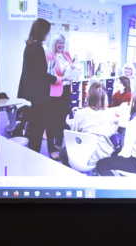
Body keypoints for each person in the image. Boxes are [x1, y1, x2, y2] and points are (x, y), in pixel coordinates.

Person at [18, 18, 68, 154]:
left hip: (33, 94)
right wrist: (58, 79)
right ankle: (35, 154)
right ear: (42, 32)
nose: (47, 35)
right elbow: (41, 74)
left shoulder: (29, 46)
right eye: (47, 32)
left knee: (35, 126)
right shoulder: (38, 48)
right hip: (40, 95)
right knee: (38, 128)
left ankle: (33, 153)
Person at [58, 82, 119, 170]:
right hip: (101, 155)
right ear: (104, 98)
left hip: (81, 155)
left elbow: (74, 133)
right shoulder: (110, 113)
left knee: (63, 152)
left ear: (89, 97)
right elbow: (112, 131)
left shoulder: (79, 113)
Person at [97, 91, 136, 176]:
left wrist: (117, 156)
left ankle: (112, 188)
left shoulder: (134, 122)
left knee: (101, 164)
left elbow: (126, 153)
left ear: (135, 104)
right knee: (116, 154)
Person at [46, 33, 76, 161]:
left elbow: (70, 67)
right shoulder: (50, 55)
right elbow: (50, 76)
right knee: (52, 121)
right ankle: (51, 148)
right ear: (54, 44)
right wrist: (62, 78)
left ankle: (59, 145)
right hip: (55, 91)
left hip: (66, 91)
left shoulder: (66, 54)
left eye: (63, 43)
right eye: (59, 43)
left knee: (61, 120)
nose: (61, 46)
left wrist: (75, 68)